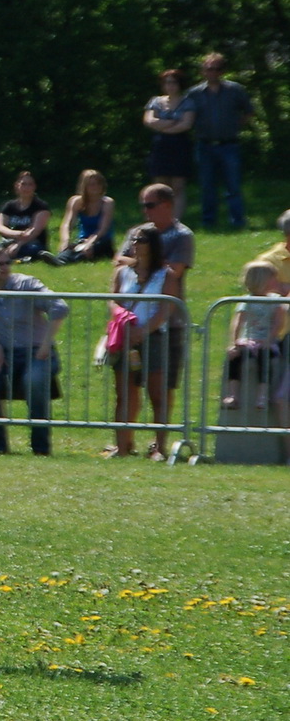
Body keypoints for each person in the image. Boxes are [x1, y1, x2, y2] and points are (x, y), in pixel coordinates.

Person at [0, 246, 69, 456]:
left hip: (38, 352)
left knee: (33, 381)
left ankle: (41, 447)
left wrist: (45, 344)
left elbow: (60, 307)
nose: (5, 268)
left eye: (7, 262)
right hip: (4, 354)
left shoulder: (27, 284)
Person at [121, 182, 195, 439]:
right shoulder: (137, 231)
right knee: (128, 386)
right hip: (130, 328)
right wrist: (144, 260)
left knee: (162, 388)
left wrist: (145, 262)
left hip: (168, 324)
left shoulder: (182, 235)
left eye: (149, 205)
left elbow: (174, 271)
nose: (145, 211)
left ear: (167, 205)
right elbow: (118, 262)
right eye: (142, 205)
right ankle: (124, 443)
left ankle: (158, 443)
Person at [104, 226, 173, 459]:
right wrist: (122, 318)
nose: (135, 243)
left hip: (153, 338)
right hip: (125, 338)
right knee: (124, 394)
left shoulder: (167, 275)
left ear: (153, 244)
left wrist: (144, 330)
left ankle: (159, 447)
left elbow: (166, 309)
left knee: (157, 394)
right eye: (133, 239)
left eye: (141, 240)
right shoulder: (123, 272)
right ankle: (123, 446)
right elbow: (112, 300)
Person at [186, 52, 254, 229]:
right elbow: (186, 116)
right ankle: (209, 222)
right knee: (207, 187)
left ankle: (237, 221)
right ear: (203, 71)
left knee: (233, 186)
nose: (212, 72)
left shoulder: (235, 90)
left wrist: (236, 126)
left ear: (223, 71)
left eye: (216, 69)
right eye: (209, 69)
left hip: (229, 144)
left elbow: (248, 111)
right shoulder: (194, 93)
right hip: (205, 145)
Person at [221, 261, 284, 411]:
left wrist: (269, 339)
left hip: (267, 341)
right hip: (249, 339)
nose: (277, 281)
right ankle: (233, 395)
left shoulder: (276, 300)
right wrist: (235, 342)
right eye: (273, 278)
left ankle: (262, 395)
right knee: (235, 357)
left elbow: (278, 323)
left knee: (265, 356)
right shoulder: (246, 301)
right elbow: (238, 322)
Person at [143, 68, 195, 220]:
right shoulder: (155, 101)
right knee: (159, 185)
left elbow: (186, 125)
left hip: (180, 145)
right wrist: (171, 123)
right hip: (160, 146)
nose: (169, 86)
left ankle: (175, 220)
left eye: (173, 82)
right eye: (166, 83)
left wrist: (162, 125)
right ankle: (159, 218)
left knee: (178, 186)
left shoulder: (188, 102)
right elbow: (149, 121)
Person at [0, 171, 55, 263]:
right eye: (23, 184)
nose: (26, 188)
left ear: (34, 187)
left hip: (32, 242)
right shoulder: (8, 206)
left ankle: (18, 257)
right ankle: (15, 257)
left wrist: (18, 244)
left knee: (32, 249)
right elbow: (0, 227)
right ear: (17, 185)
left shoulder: (41, 206)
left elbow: (35, 231)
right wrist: (18, 234)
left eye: (30, 185)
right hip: (9, 241)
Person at [56, 169, 115, 264]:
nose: (96, 187)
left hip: (101, 240)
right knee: (73, 247)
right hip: (83, 239)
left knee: (86, 250)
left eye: (98, 184)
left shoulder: (107, 203)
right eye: (92, 184)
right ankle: (60, 258)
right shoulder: (76, 201)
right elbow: (67, 224)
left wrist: (90, 243)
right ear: (84, 186)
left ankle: (67, 261)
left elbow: (103, 229)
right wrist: (65, 241)